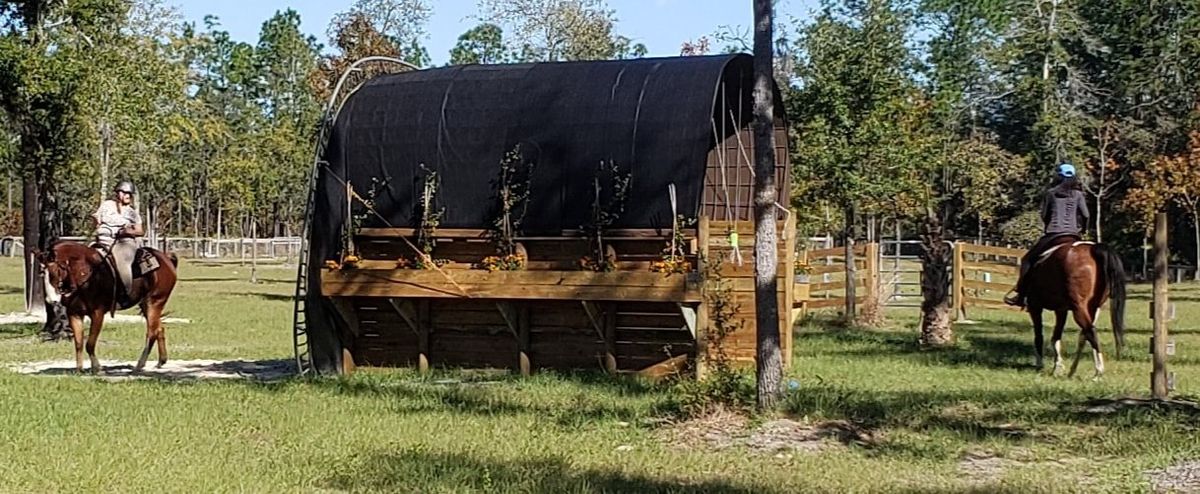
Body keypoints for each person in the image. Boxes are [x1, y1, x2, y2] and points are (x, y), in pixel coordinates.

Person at [1004, 163, 1090, 307]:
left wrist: (1049, 225)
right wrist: (1083, 229)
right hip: (1073, 234)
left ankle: (1021, 294)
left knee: (1027, 260)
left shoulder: (1050, 193)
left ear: (1058, 176)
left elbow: (1044, 215)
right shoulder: (1079, 195)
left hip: (1054, 234)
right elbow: (1086, 215)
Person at [92, 181, 144, 304]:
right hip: (102, 240)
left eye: (129, 194)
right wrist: (95, 220)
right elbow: (97, 222)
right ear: (118, 193)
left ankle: (125, 293)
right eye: (125, 193)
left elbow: (140, 231)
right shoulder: (106, 205)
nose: (127, 196)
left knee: (121, 261)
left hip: (123, 242)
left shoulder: (132, 213)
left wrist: (127, 232)